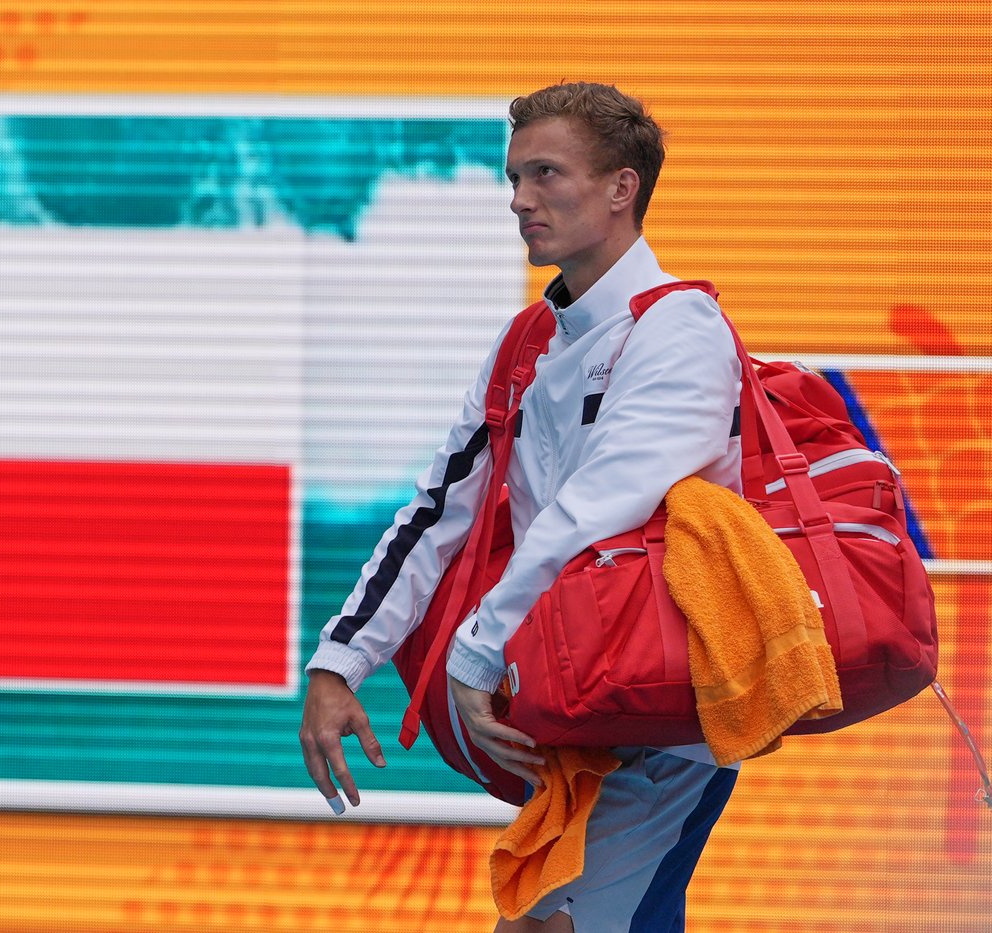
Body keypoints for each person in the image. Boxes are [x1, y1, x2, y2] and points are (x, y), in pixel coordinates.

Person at [299, 82, 743, 932]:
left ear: (623, 187)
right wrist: (339, 662)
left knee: (540, 926)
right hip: (575, 720)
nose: (518, 200)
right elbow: (437, 510)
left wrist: (474, 651)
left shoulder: (682, 328)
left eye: (545, 173)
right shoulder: (526, 338)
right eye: (513, 176)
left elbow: (597, 509)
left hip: (663, 727)